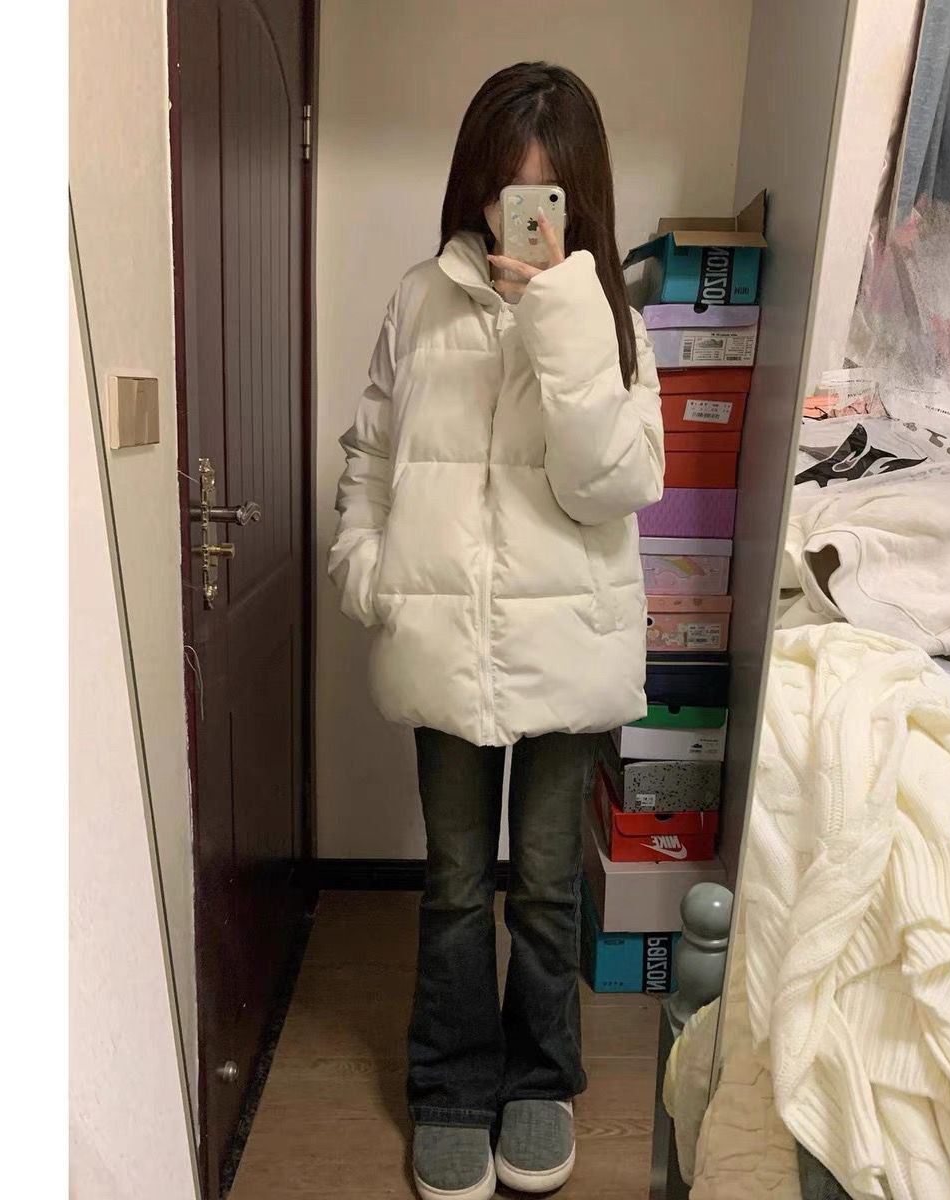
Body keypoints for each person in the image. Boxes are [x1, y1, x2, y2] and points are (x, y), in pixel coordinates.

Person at [328, 61, 665, 1200]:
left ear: (578, 197)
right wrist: (369, 571)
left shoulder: (612, 318)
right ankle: (452, 1084)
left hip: (567, 642)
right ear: (473, 183)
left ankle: (541, 1077)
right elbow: (373, 451)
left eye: (541, 194)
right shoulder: (418, 300)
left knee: (553, 885)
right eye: (501, 186)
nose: (514, 213)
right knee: (458, 882)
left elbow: (614, 484)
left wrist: (563, 313)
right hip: (446, 638)